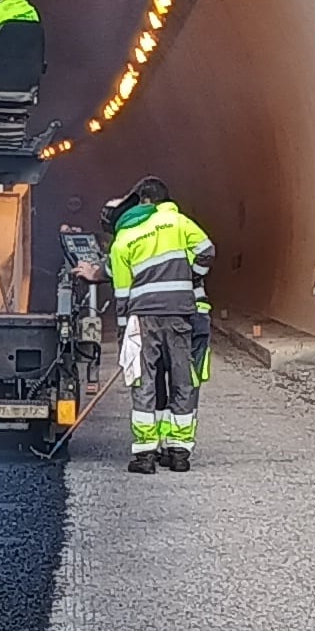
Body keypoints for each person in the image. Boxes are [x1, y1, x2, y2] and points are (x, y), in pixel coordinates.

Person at [104, 175, 216, 472]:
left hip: (143, 319)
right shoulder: (177, 223)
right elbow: (207, 249)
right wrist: (191, 275)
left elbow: (122, 295)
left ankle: (145, 456)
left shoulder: (123, 241)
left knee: (144, 381)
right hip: (180, 314)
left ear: (141, 203)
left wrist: (123, 333)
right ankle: (178, 454)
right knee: (182, 380)